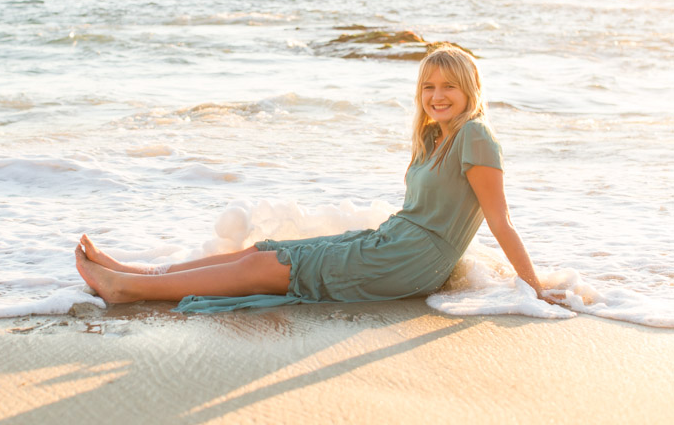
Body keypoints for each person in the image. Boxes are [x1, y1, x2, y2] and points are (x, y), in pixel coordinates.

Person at [75, 44, 559, 313]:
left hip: (411, 259)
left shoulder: (475, 136)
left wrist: (531, 287)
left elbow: (501, 221)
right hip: (393, 239)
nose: (436, 95)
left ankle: (125, 289)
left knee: (262, 270)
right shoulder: (437, 138)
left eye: (448, 86)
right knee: (261, 252)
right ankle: (140, 273)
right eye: (428, 86)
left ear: (469, 90)